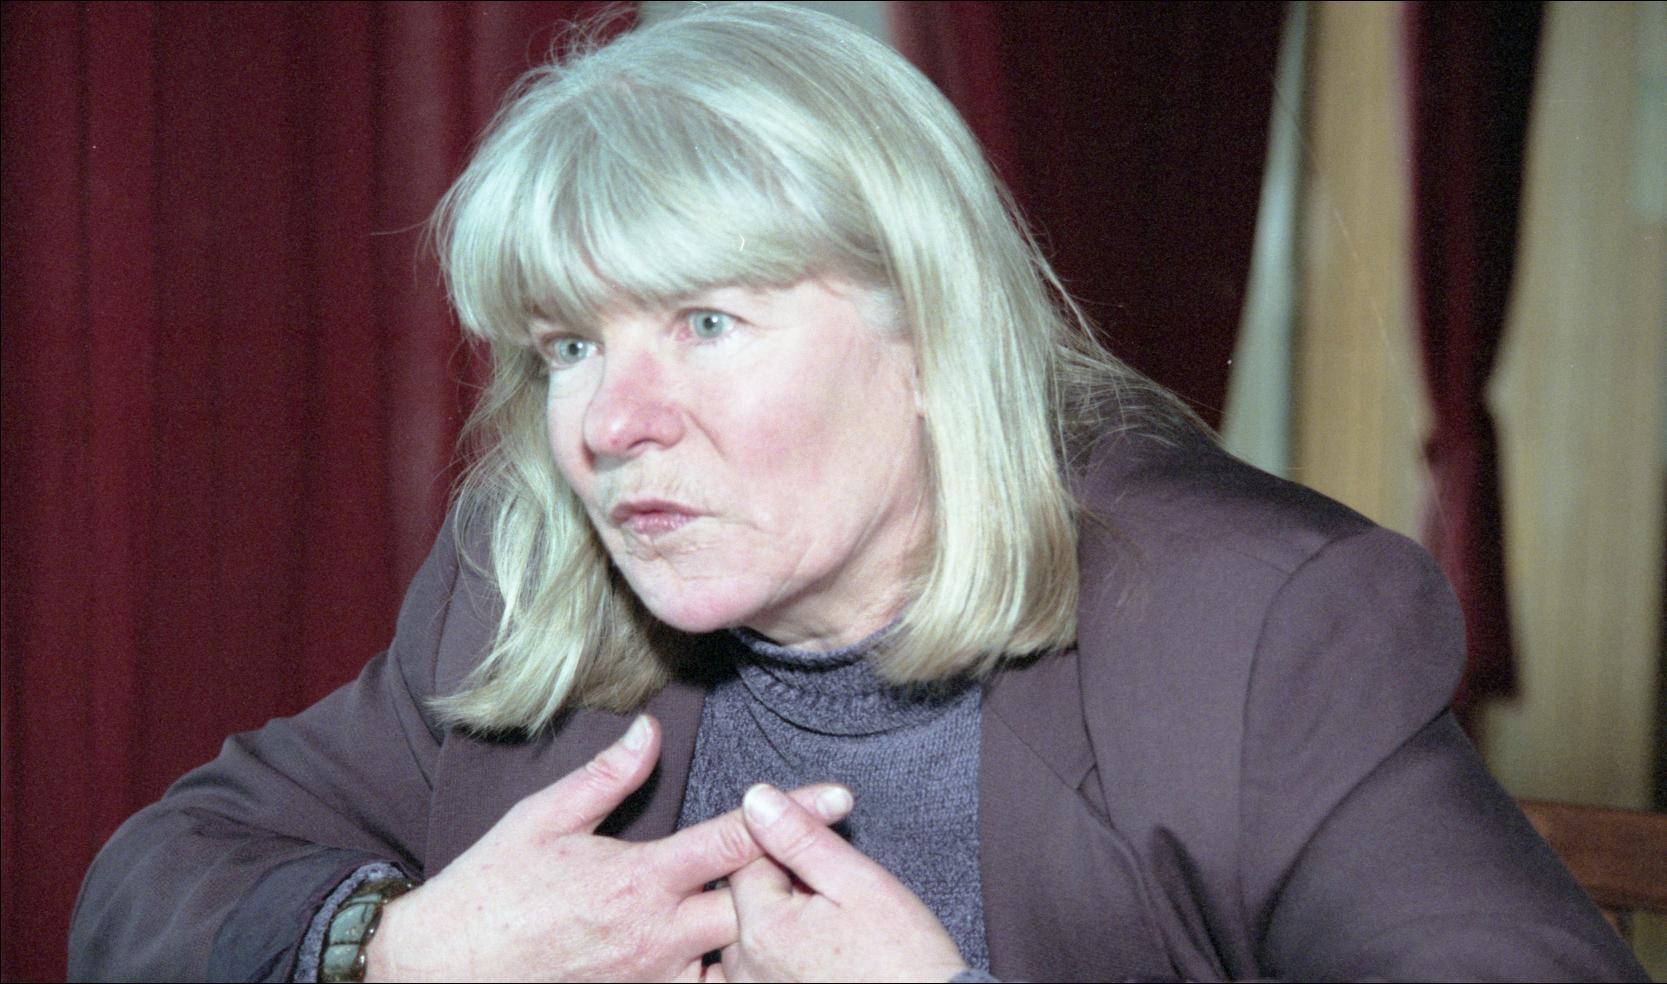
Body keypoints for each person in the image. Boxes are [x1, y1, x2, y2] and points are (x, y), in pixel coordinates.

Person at [69, 4, 1646, 982]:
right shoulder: (528, 563)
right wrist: (394, 947)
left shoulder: (1254, 624)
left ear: (932, 336)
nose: (608, 424)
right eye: (567, 346)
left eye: (706, 322)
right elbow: (152, 879)